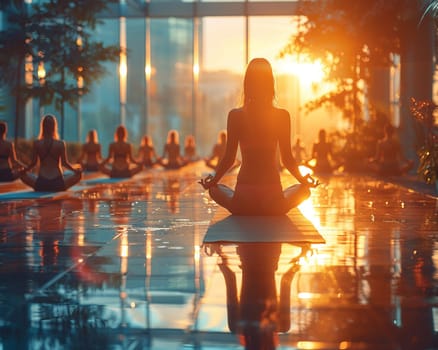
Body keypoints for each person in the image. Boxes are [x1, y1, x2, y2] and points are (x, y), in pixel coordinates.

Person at [199, 58, 318, 216]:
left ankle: (246, 207)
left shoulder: (235, 115)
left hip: (244, 198)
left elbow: (229, 158)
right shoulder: (282, 116)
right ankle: (271, 207)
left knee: (215, 190)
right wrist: (303, 180)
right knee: (304, 191)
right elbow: (287, 159)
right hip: (272, 197)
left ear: (247, 84)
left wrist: (213, 181)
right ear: (271, 83)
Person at [20, 114, 82, 192]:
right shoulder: (60, 143)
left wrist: (23, 171)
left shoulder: (37, 143)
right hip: (58, 183)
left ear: (42, 127)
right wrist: (75, 170)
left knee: (22, 175)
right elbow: (64, 163)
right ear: (54, 127)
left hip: (41, 183)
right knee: (78, 175)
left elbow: (33, 163)